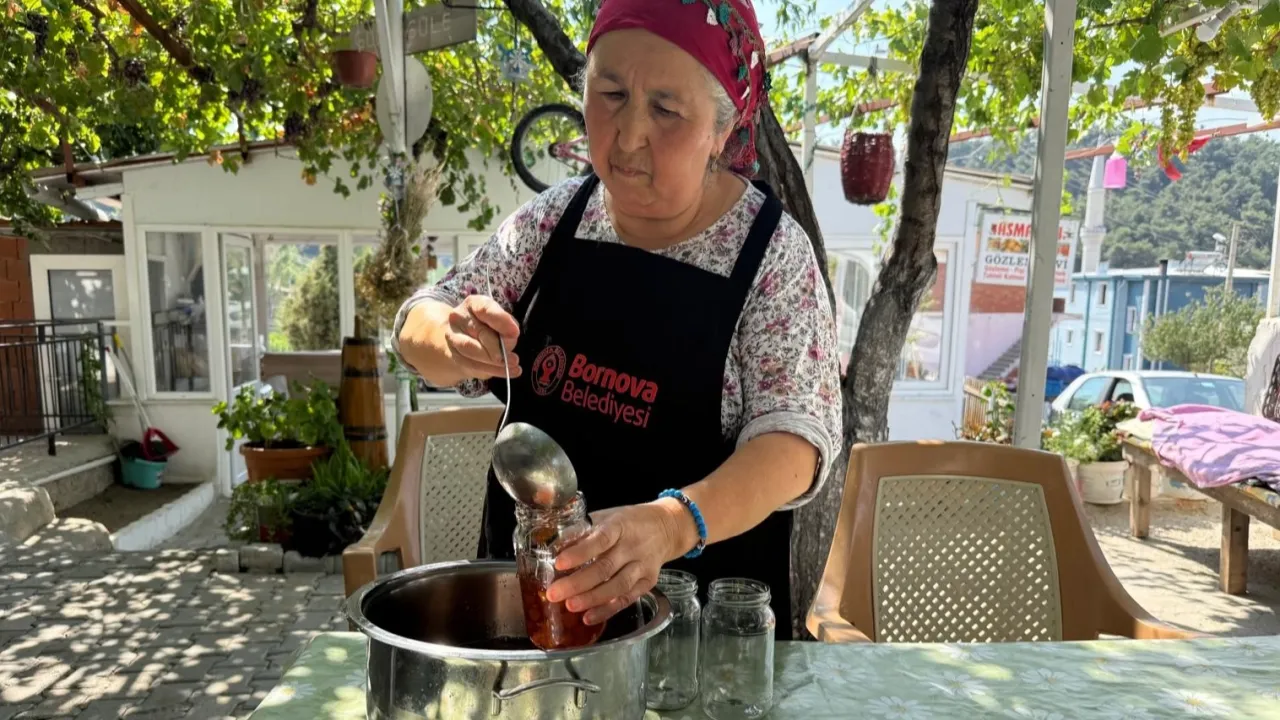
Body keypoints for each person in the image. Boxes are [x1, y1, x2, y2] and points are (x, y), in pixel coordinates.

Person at [393, 0, 841, 637]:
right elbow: (417, 323)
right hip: (534, 617)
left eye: (666, 110)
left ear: (722, 129)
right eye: (610, 95)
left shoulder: (772, 255)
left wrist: (672, 524)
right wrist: (448, 338)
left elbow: (794, 446)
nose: (629, 136)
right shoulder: (552, 223)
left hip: (697, 636)